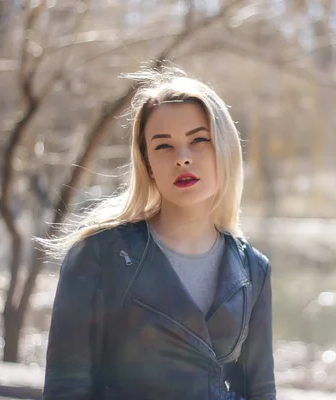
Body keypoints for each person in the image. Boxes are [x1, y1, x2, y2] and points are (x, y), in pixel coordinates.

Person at [40, 65, 276, 400]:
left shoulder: (253, 269)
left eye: (198, 140)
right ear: (147, 163)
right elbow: (67, 388)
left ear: (224, 148)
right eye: (164, 146)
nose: (182, 158)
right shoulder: (99, 254)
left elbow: (261, 390)